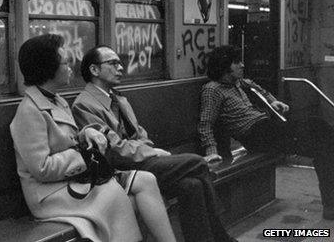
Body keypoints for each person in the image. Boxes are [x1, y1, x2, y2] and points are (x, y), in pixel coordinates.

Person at [10, 34, 176, 242]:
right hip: (49, 194)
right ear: (48, 68)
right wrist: (82, 154)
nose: (71, 66)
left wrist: (85, 133)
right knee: (117, 196)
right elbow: (42, 168)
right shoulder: (29, 112)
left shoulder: (57, 101)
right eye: (65, 62)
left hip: (74, 180)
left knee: (147, 180)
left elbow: (65, 140)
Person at [72, 45, 236, 242]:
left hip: (140, 159)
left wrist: (149, 149)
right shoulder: (84, 105)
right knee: (197, 163)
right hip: (122, 169)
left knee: (191, 185)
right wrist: (150, 152)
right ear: (94, 70)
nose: (121, 67)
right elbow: (113, 149)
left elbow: (139, 132)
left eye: (120, 63)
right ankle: (222, 236)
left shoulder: (118, 98)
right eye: (113, 63)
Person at [199, 45, 334, 220]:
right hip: (253, 135)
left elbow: (258, 88)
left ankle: (331, 205)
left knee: (323, 143)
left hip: (265, 128)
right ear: (224, 67)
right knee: (320, 134)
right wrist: (211, 152)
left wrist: (273, 101)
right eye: (236, 62)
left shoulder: (238, 83)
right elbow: (205, 124)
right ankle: (331, 205)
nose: (242, 65)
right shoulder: (212, 90)